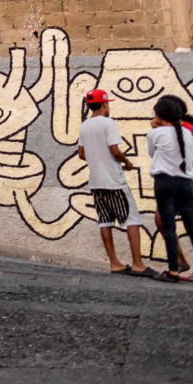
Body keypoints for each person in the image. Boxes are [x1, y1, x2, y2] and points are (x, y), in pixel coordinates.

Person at [76, 89, 149, 274]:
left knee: (105, 221)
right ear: (105, 104)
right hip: (114, 180)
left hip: (95, 182)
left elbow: (82, 154)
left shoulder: (84, 125)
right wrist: (127, 162)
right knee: (132, 219)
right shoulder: (108, 123)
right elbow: (115, 150)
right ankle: (138, 264)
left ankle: (114, 263)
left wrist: (97, 158)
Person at [149, 95, 193, 284]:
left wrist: (192, 178)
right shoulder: (182, 131)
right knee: (183, 225)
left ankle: (189, 269)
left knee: (185, 224)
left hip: (189, 181)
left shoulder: (183, 130)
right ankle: (192, 266)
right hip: (187, 182)